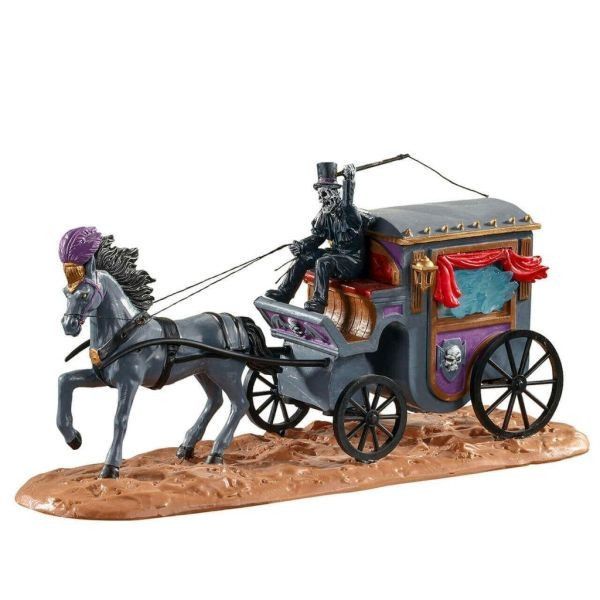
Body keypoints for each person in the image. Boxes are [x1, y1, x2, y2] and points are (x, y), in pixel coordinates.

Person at [265, 162, 366, 313]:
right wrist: (301, 246)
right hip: (336, 255)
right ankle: (285, 293)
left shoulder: (349, 211)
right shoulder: (325, 214)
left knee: (323, 262)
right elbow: (318, 237)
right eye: (319, 195)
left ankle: (318, 302)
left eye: (324, 194)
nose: (321, 199)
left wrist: (349, 181)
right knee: (305, 258)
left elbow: (347, 202)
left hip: (352, 260)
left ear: (334, 193)